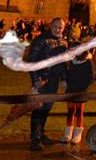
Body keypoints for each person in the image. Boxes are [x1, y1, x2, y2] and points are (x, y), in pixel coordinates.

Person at [25, 17, 68, 150]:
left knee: (47, 108)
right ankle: (35, 138)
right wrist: (35, 80)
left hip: (53, 81)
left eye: (60, 27)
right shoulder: (40, 40)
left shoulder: (63, 43)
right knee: (38, 108)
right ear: (50, 26)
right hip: (42, 79)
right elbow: (32, 60)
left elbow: (63, 63)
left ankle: (41, 133)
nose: (58, 29)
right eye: (56, 26)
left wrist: (63, 79)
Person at [62, 51, 94, 144]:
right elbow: (67, 73)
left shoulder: (88, 62)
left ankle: (77, 134)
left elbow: (90, 77)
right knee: (70, 111)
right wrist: (65, 82)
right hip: (70, 89)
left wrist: (83, 87)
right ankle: (67, 134)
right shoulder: (72, 61)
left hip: (81, 90)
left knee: (79, 112)